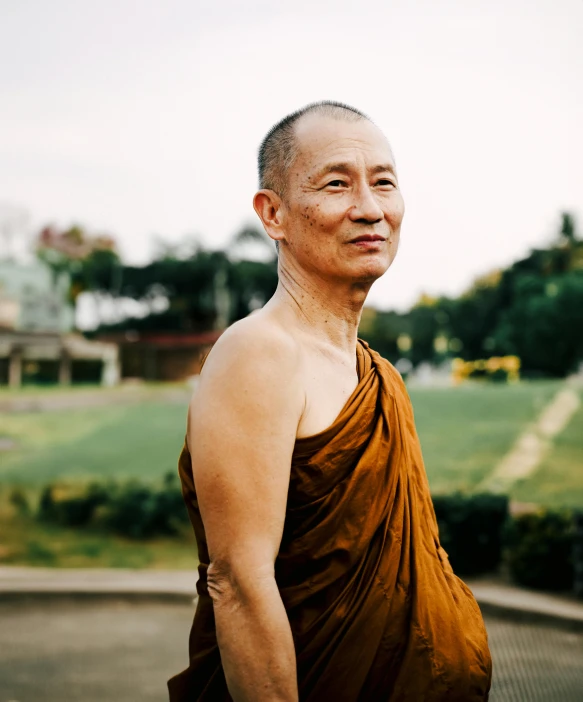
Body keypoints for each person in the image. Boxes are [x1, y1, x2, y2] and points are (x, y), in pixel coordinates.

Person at [167, 101, 492, 701]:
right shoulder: (260, 353)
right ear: (274, 214)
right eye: (337, 183)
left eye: (384, 183)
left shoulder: (377, 373)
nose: (370, 208)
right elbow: (239, 582)